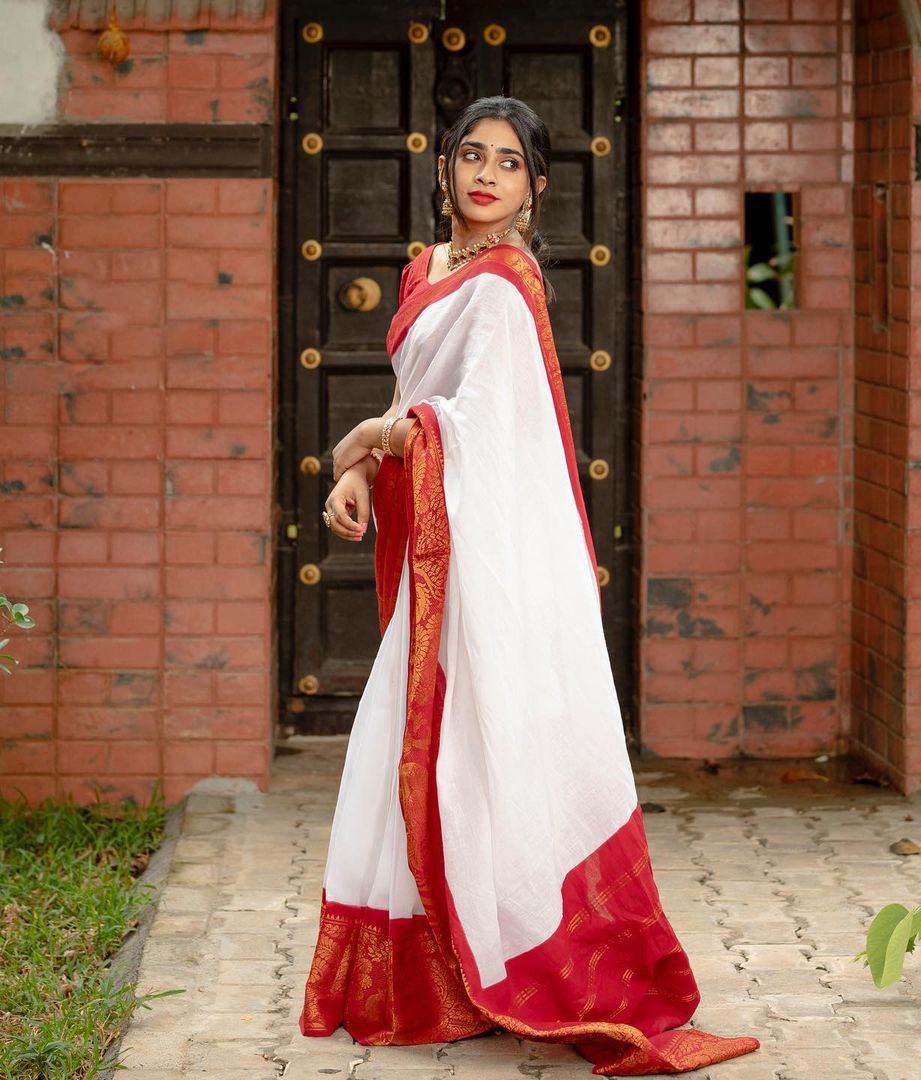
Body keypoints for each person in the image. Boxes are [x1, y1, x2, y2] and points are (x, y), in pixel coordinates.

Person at [297, 95, 759, 1076]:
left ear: (534, 188)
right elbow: (417, 405)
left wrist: (368, 442)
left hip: (482, 560)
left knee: (466, 745)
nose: (485, 175)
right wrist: (357, 467)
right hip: (436, 544)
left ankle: (494, 957)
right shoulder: (426, 272)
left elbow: (477, 428)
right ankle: (421, 969)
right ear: (442, 169)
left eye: (509, 163)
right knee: (408, 747)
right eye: (472, 155)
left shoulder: (510, 288)